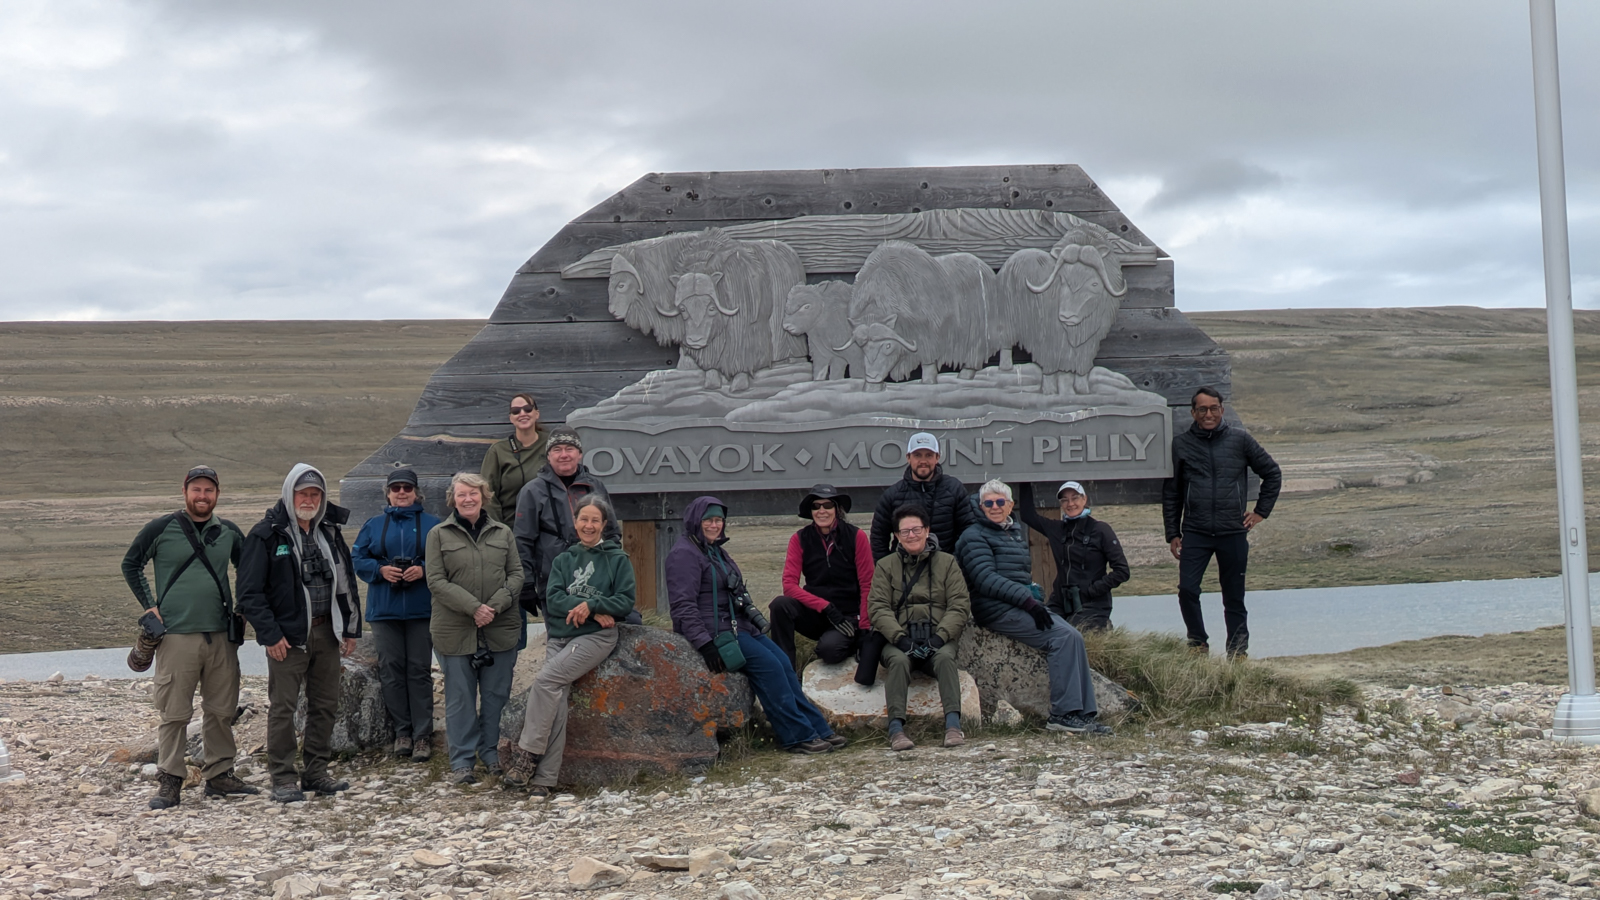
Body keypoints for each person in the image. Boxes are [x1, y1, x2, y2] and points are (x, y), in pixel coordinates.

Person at [120, 464, 257, 809]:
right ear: (185, 492)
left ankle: (220, 775)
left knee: (221, 709)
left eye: (209, 490)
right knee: (174, 713)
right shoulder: (161, 528)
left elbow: (249, 569)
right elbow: (131, 564)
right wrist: (149, 606)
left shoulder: (228, 531)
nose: (202, 496)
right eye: (196, 489)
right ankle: (170, 780)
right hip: (176, 636)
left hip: (221, 636)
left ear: (217, 494)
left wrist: (242, 608)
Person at [667, 496, 844, 755]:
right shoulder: (684, 554)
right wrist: (704, 644)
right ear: (696, 521)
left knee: (783, 662)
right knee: (770, 667)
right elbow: (682, 606)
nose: (715, 525)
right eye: (708, 520)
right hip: (716, 631)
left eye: (719, 520)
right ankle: (797, 736)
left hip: (737, 625)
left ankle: (818, 728)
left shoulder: (714, 550)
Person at [237, 464, 361, 804]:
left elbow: (346, 583)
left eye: (315, 494)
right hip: (287, 638)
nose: (309, 500)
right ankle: (283, 777)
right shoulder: (266, 535)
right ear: (289, 494)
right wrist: (270, 635)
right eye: (303, 493)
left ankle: (316, 772)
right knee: (283, 708)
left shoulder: (329, 532)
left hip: (327, 632)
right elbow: (249, 593)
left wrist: (350, 628)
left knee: (325, 705)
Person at [502, 496, 635, 796]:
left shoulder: (618, 559)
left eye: (595, 520)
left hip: (594, 638)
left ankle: (527, 756)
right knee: (557, 699)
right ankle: (545, 781)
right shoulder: (564, 560)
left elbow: (625, 601)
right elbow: (554, 599)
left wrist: (593, 604)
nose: (589, 525)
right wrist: (590, 608)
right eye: (583, 519)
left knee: (546, 681)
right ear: (575, 522)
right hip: (560, 637)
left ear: (604, 524)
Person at [957, 481, 1112, 736]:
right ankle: (1062, 715)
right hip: (996, 609)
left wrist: (1031, 591)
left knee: (1074, 636)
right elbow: (985, 579)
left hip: (1019, 604)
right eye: (989, 503)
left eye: (1000, 502)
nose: (995, 507)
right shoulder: (973, 536)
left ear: (1010, 505)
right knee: (1061, 638)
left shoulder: (1011, 531)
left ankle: (1083, 714)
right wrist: (1028, 601)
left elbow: (1015, 575)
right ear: (981, 506)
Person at [1163, 387, 1283, 659]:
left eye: (1214, 408)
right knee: (1187, 590)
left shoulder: (1240, 439)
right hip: (1195, 531)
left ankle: (1237, 652)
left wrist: (1261, 512)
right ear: (1193, 413)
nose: (1209, 414)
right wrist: (1172, 533)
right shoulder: (1181, 444)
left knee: (1234, 596)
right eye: (1202, 409)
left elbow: (1272, 473)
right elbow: (1172, 492)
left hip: (1233, 532)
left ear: (1222, 410)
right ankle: (1197, 643)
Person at [426, 472, 524, 785]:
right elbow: (436, 581)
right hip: (454, 630)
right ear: (452, 499)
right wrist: (473, 608)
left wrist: (493, 606)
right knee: (460, 699)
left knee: (496, 697)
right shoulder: (438, 535)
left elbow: (516, 575)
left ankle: (493, 755)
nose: (468, 499)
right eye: (462, 494)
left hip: (499, 628)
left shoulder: (503, 533)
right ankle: (462, 762)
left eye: (474, 493)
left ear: (484, 496)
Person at [350, 467, 440, 762]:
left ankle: (422, 735)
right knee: (391, 670)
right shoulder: (373, 525)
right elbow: (357, 557)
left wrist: (423, 570)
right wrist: (380, 570)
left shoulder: (433, 525)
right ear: (387, 493)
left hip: (421, 609)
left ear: (416, 492)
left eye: (407, 488)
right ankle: (403, 732)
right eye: (396, 488)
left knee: (419, 670)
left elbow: (447, 557)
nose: (401, 492)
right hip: (384, 609)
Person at [867, 504, 971, 751]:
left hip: (938, 637)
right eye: (905, 531)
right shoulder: (885, 566)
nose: (911, 535)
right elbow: (878, 608)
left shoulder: (947, 563)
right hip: (898, 640)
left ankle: (953, 726)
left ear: (927, 530)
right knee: (898, 661)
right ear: (896, 536)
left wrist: (939, 638)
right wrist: (900, 639)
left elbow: (959, 605)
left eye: (916, 529)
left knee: (945, 658)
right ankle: (896, 730)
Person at [513, 426, 621, 616]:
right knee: (562, 632)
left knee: (599, 630)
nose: (564, 455)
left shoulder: (595, 487)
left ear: (579, 454)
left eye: (569, 449)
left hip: (595, 579)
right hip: (554, 581)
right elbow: (522, 540)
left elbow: (611, 533)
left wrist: (614, 570)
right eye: (557, 449)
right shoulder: (532, 491)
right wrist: (527, 584)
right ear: (548, 456)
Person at [768, 484, 873, 672]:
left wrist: (865, 629)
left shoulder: (857, 536)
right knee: (780, 605)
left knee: (829, 651)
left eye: (828, 505)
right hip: (818, 613)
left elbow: (868, 584)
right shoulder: (799, 538)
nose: (821, 511)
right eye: (816, 506)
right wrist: (825, 606)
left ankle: (850, 640)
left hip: (847, 617)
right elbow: (789, 586)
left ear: (837, 509)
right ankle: (785, 672)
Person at [1017, 481, 1130, 632]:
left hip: (1093, 604)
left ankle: (1103, 627)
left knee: (1071, 633)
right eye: (1065, 500)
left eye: (1075, 498)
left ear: (1084, 499)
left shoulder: (1101, 530)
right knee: (1041, 629)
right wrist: (1024, 480)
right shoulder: (1057, 529)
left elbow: (1122, 571)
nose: (1070, 504)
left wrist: (1092, 590)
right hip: (1061, 602)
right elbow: (1028, 515)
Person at [870, 432, 975, 560]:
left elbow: (968, 531)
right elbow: (878, 538)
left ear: (937, 458)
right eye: (917, 455)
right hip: (905, 567)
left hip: (947, 566)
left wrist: (955, 563)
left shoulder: (954, 489)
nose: (923, 461)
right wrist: (888, 568)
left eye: (929, 455)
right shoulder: (892, 495)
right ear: (908, 458)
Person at [479, 393, 548, 527]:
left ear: (537, 414)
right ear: (511, 418)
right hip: (511, 527)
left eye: (527, 409)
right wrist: (500, 530)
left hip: (548, 528)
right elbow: (487, 494)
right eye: (516, 411)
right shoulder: (498, 451)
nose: (522, 413)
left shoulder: (552, 443)